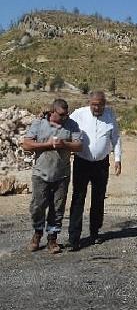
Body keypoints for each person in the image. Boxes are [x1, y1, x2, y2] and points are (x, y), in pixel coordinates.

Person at [22, 99, 82, 254]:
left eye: (66, 114)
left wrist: (65, 145)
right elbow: (27, 144)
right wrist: (47, 145)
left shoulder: (72, 125)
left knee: (57, 208)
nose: (64, 117)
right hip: (41, 173)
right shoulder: (39, 123)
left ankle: (52, 238)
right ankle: (37, 233)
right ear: (53, 111)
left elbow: (79, 146)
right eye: (61, 115)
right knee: (37, 206)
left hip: (61, 174)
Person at [67, 91, 122, 251]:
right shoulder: (79, 114)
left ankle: (95, 232)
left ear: (105, 104)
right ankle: (74, 237)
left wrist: (117, 159)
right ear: (89, 102)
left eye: (100, 104)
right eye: (94, 104)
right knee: (78, 198)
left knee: (98, 199)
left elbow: (116, 138)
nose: (97, 107)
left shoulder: (110, 116)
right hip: (81, 163)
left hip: (101, 164)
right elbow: (67, 127)